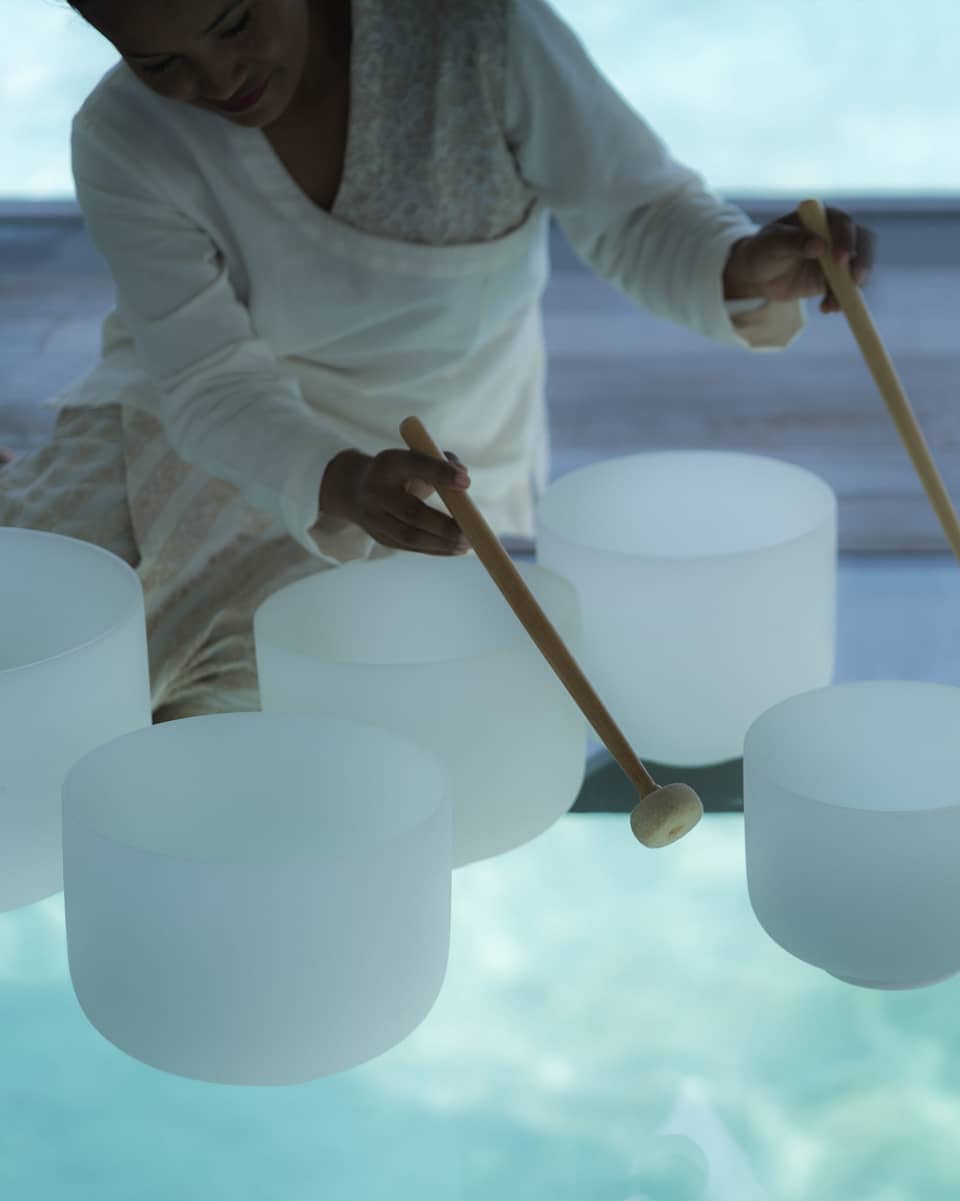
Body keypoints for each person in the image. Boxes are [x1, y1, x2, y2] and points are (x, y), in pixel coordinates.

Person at [1, 0, 873, 719]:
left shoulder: (476, 34)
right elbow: (206, 379)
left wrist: (737, 265)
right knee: (39, 672)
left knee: (267, 750)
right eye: (161, 63)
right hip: (194, 430)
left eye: (234, 24)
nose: (216, 79)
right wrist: (334, 479)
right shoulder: (123, 135)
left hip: (434, 492)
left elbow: (636, 210)